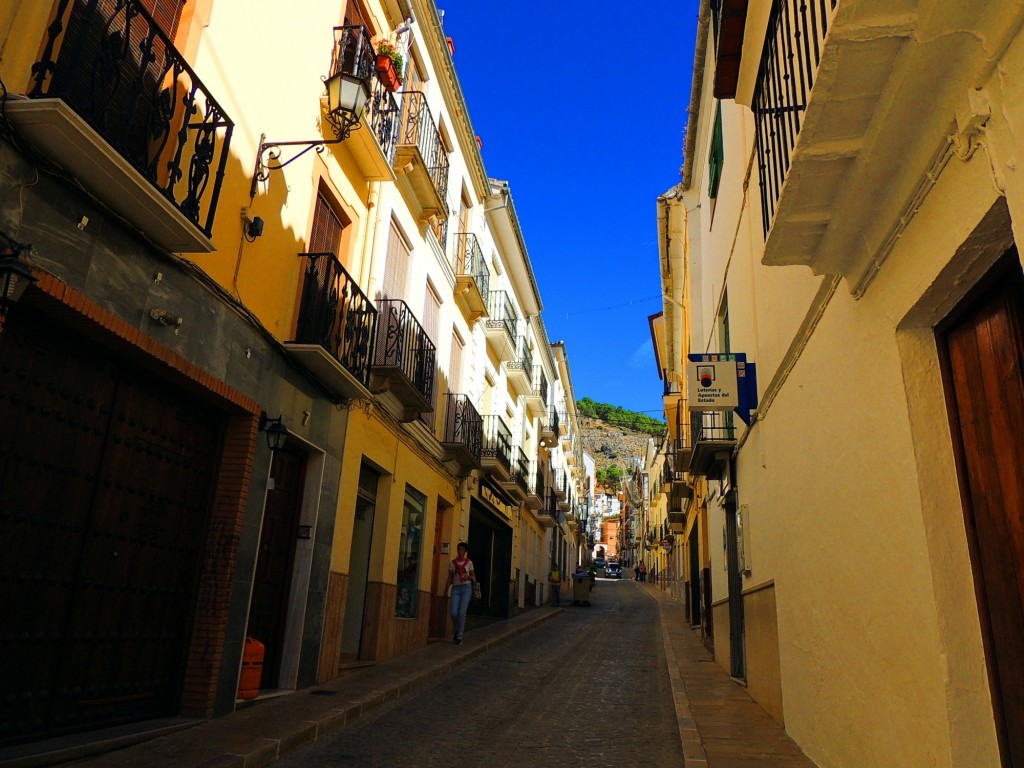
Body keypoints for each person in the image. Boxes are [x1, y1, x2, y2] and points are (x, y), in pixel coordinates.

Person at [446, 542, 475, 645]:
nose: (460, 551)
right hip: (456, 588)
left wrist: (468, 577)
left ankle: (459, 636)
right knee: (453, 613)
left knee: (461, 612)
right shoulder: (452, 563)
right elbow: (449, 578)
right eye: (458, 549)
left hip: (466, 588)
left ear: (465, 551)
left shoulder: (469, 563)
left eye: (462, 549)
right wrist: (446, 591)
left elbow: (473, 578)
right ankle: (457, 629)